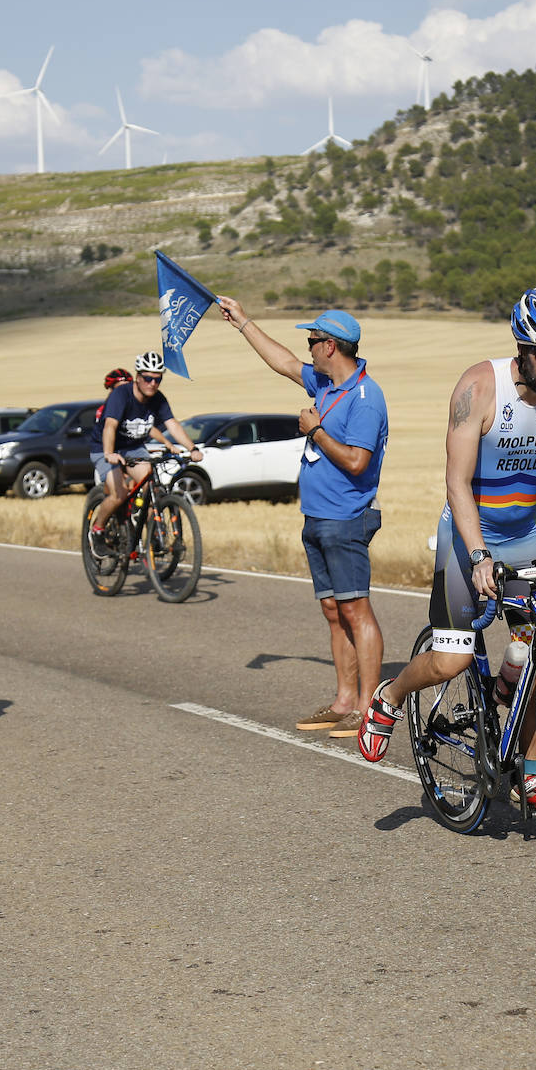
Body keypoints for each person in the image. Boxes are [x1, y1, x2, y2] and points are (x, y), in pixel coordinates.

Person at [357, 287, 536, 817]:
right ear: (522, 349)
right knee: (452, 659)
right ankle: (389, 697)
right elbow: (456, 483)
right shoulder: (480, 388)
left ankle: (531, 775)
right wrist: (479, 554)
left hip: (526, 538)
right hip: (468, 537)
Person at [216, 300, 388, 740]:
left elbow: (355, 461)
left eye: (312, 341)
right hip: (316, 517)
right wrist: (244, 324)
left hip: (346, 518)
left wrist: (314, 431)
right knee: (334, 612)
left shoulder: (366, 398)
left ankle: (369, 709)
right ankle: (344, 701)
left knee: (356, 609)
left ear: (330, 346)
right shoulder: (325, 384)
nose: (307, 349)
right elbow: (285, 363)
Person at [88, 353, 202, 554]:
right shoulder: (121, 395)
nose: (152, 383)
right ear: (138, 377)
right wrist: (108, 453)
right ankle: (97, 530)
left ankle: (154, 535)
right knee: (119, 493)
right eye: (148, 378)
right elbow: (110, 426)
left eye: (158, 379)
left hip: (133, 447)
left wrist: (192, 448)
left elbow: (172, 425)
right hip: (105, 447)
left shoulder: (158, 399)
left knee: (151, 486)